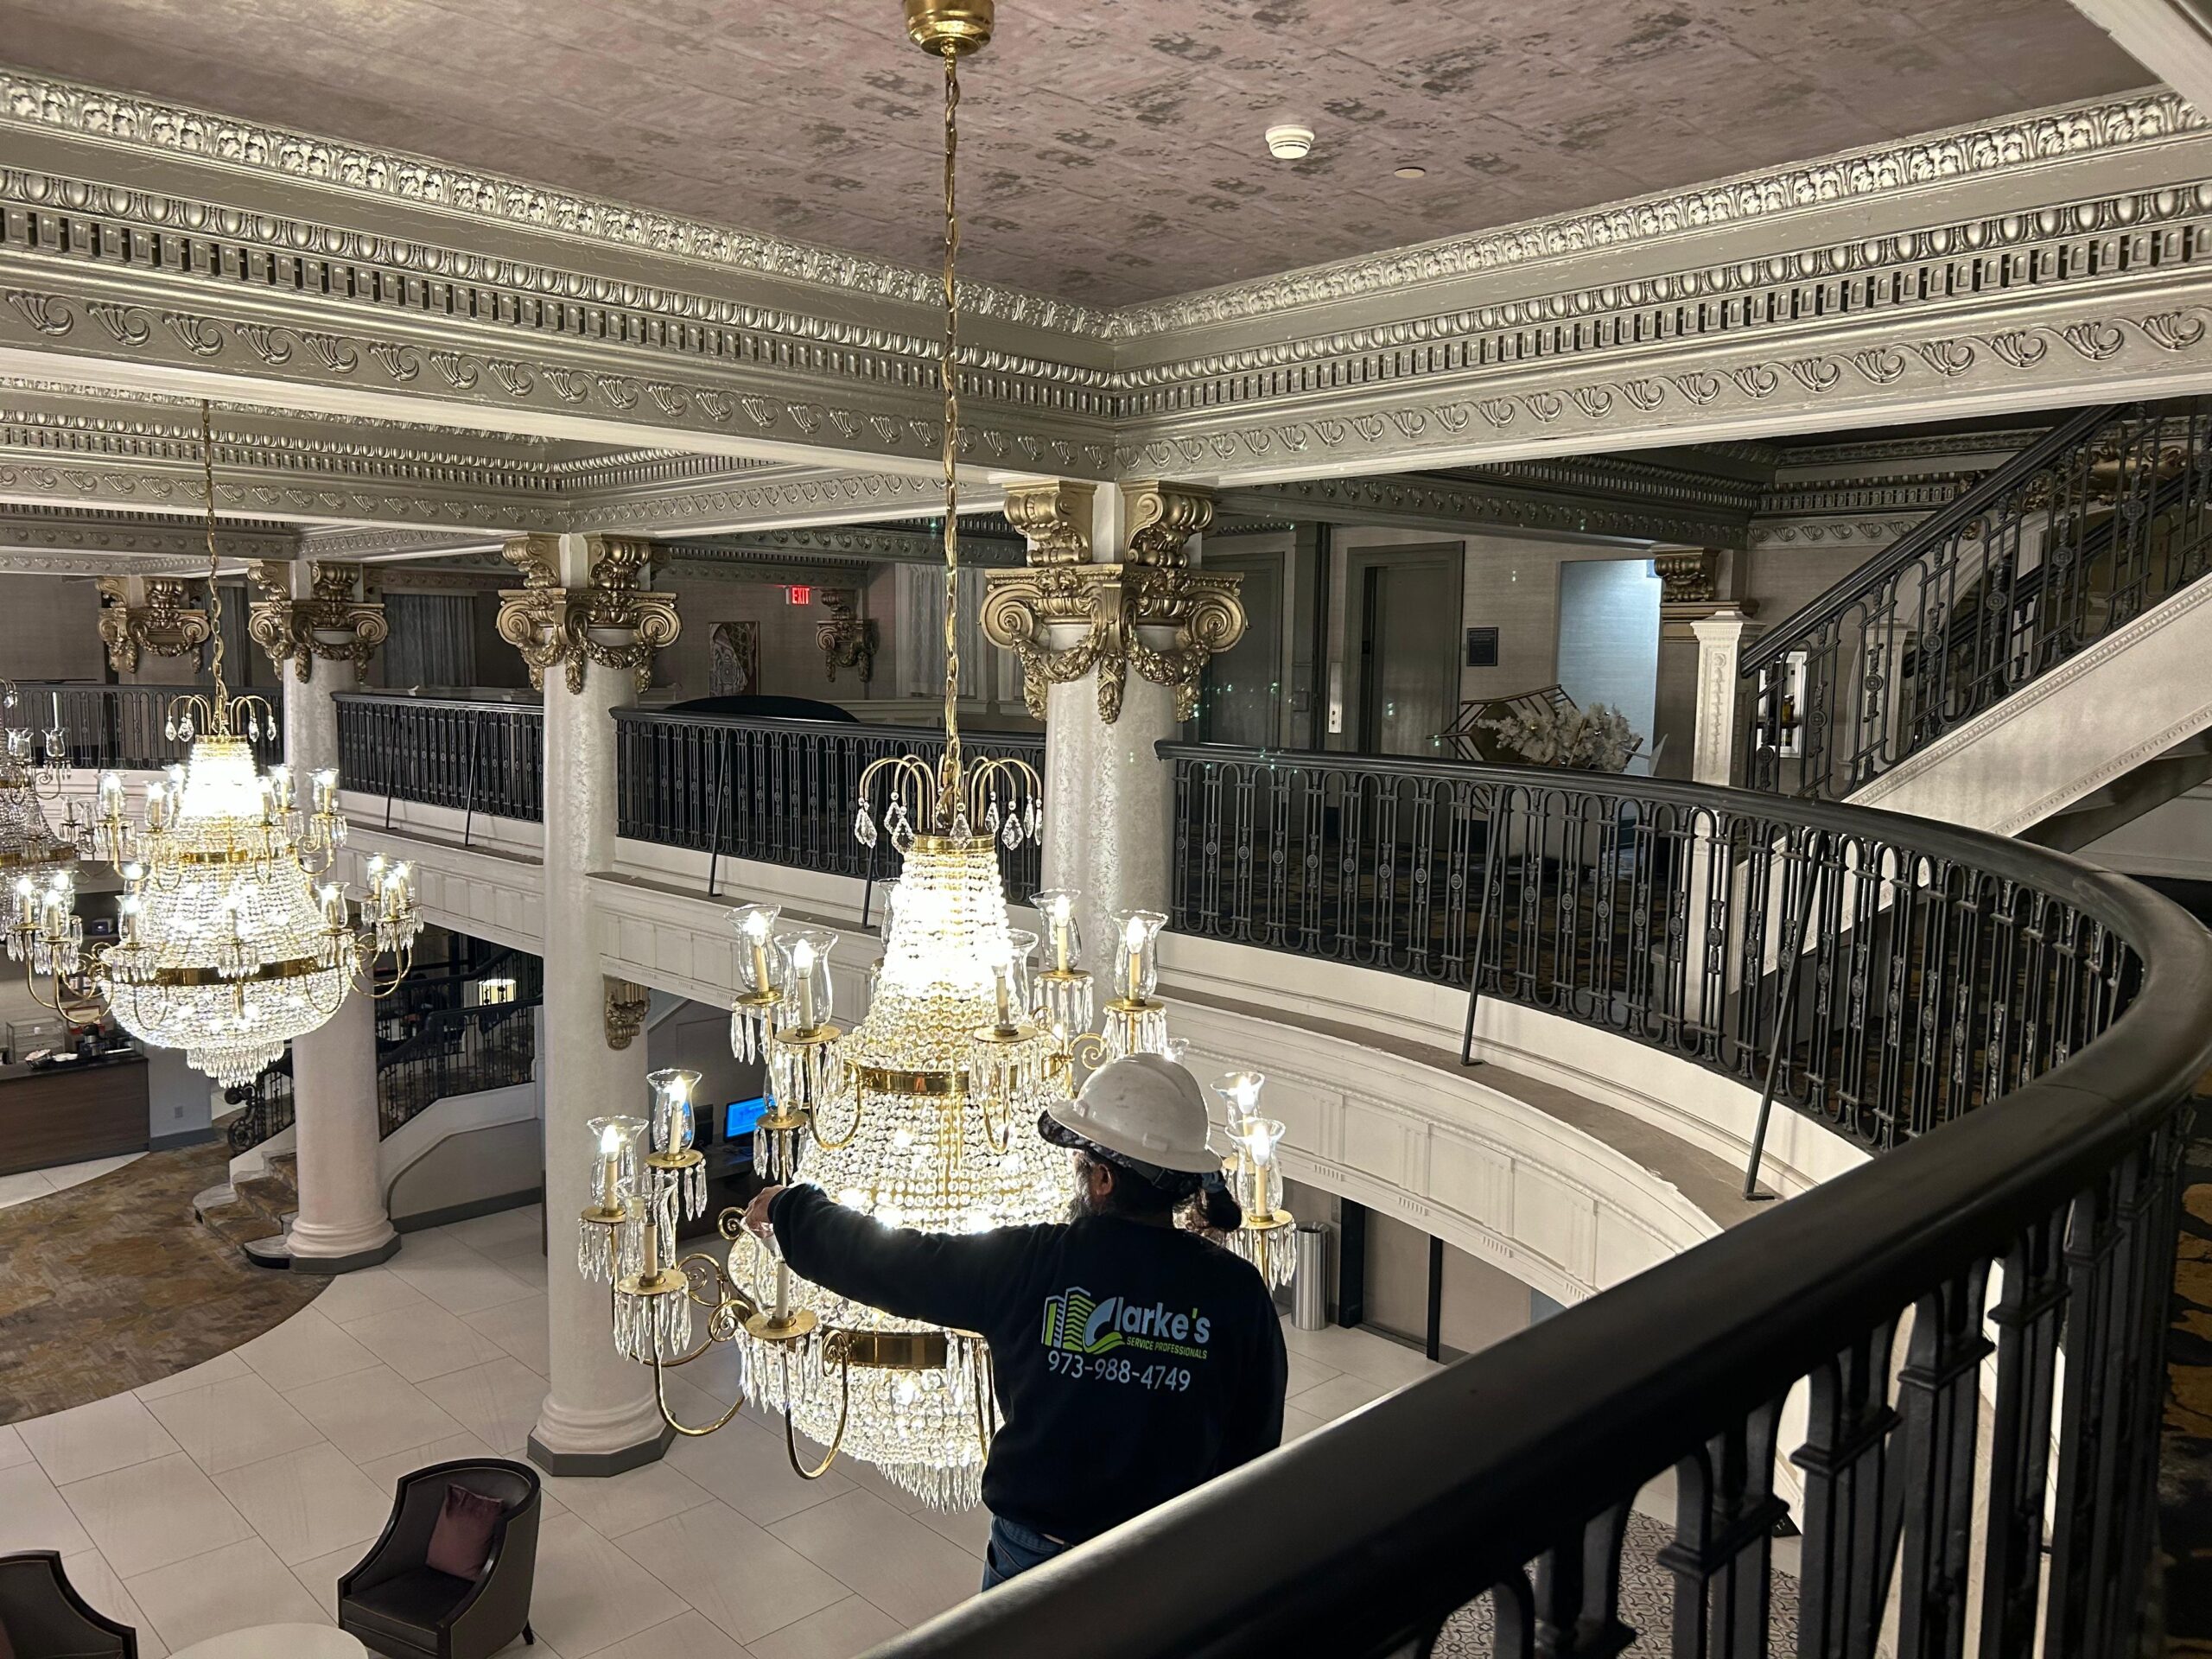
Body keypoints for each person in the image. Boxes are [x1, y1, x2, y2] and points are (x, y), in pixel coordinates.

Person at [744, 1052, 1289, 1590]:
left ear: (1102, 1178)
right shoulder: (1237, 1291)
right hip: (1171, 1560)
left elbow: (893, 1264)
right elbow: (1252, 1448)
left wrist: (793, 1212)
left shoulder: (1034, 1263)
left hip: (1035, 1561)